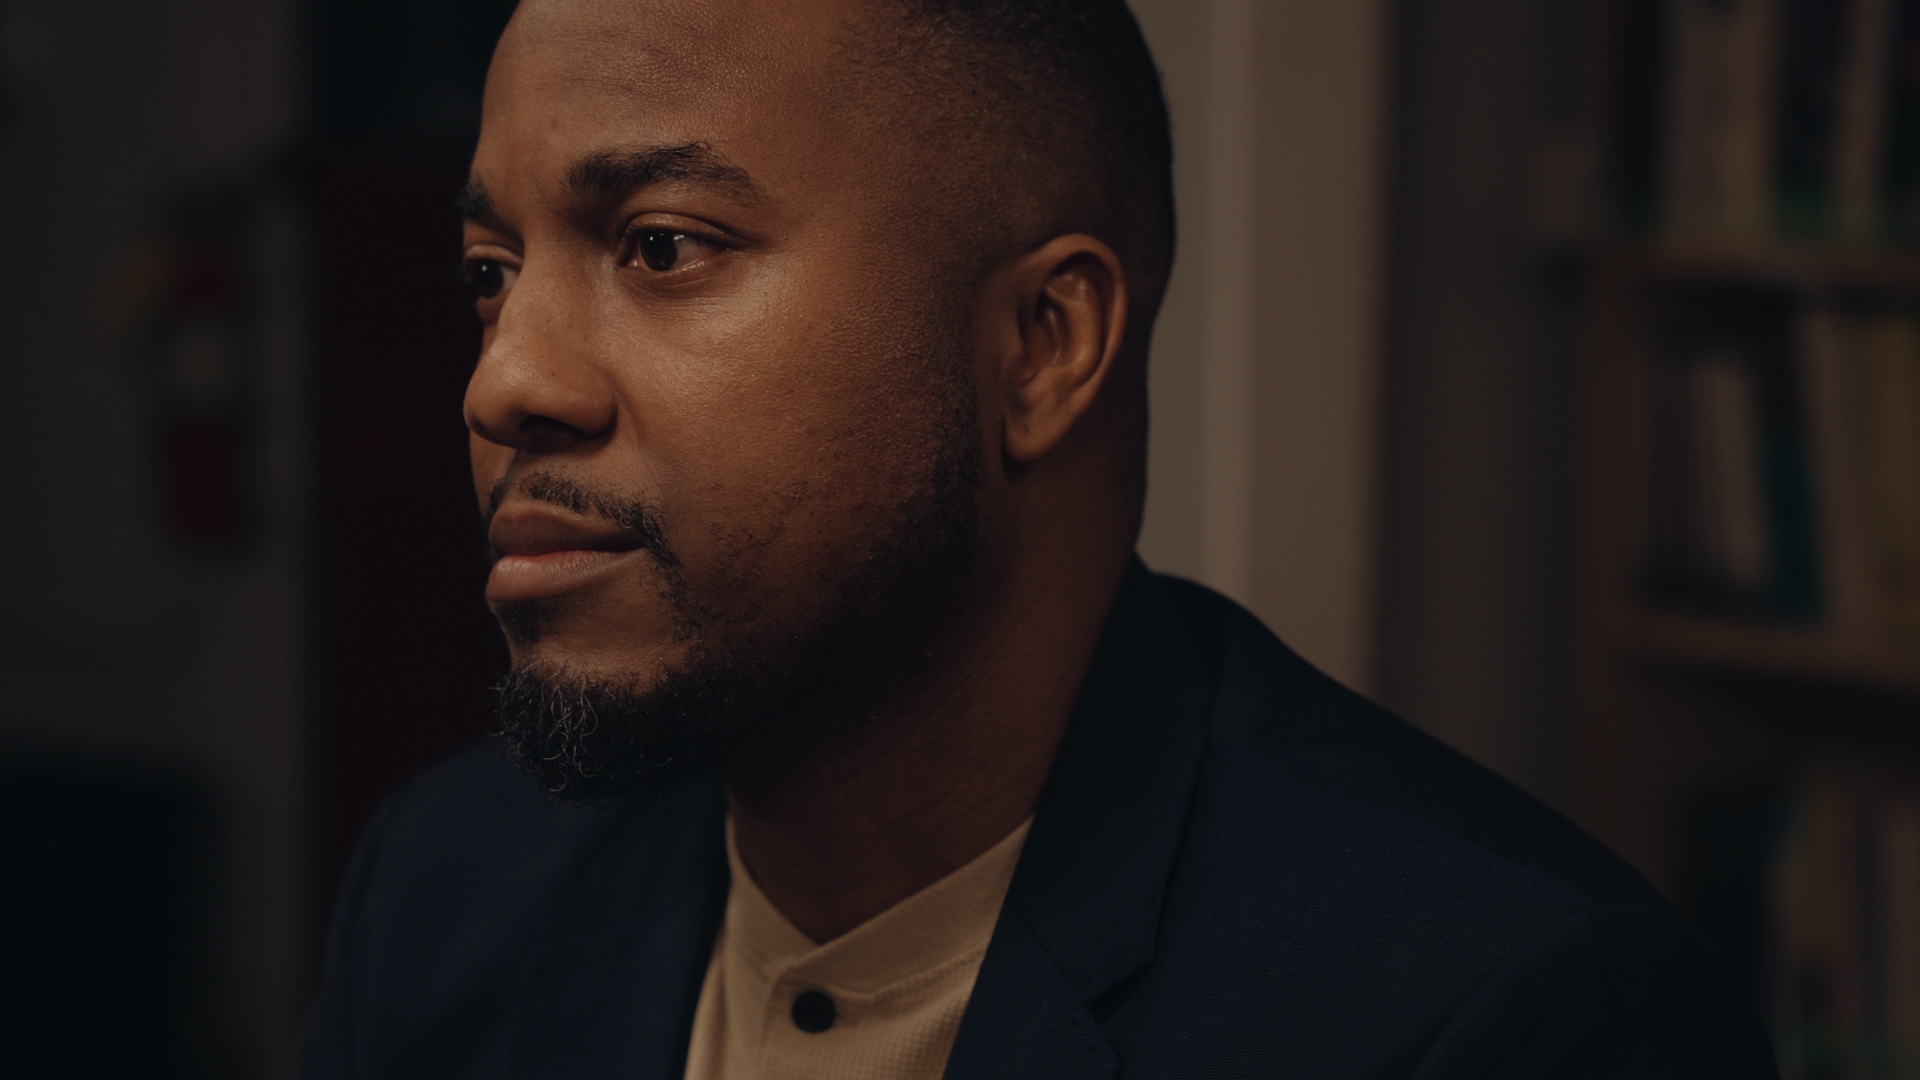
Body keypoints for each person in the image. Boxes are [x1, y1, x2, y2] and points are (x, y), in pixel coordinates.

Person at [300, 0, 1778, 1077]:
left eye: (663, 246)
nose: (504, 380)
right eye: (491, 272)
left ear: (1041, 345)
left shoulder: (1495, 1013)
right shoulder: (446, 890)